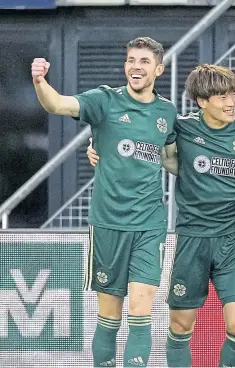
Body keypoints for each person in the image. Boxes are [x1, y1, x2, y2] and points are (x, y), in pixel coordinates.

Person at [87, 64, 235, 367]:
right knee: (181, 326)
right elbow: (139, 135)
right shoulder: (182, 126)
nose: (231, 102)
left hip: (234, 239)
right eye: (222, 97)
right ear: (201, 101)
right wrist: (98, 148)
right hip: (191, 240)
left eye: (234, 95)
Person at [31, 37, 178, 368]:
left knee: (142, 308)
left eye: (143, 61)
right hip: (108, 222)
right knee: (109, 315)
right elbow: (57, 104)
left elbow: (171, 159)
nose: (135, 67)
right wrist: (40, 82)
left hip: (150, 224)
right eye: (130, 60)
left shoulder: (167, 111)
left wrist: (215, 168)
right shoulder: (104, 100)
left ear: (159, 69)